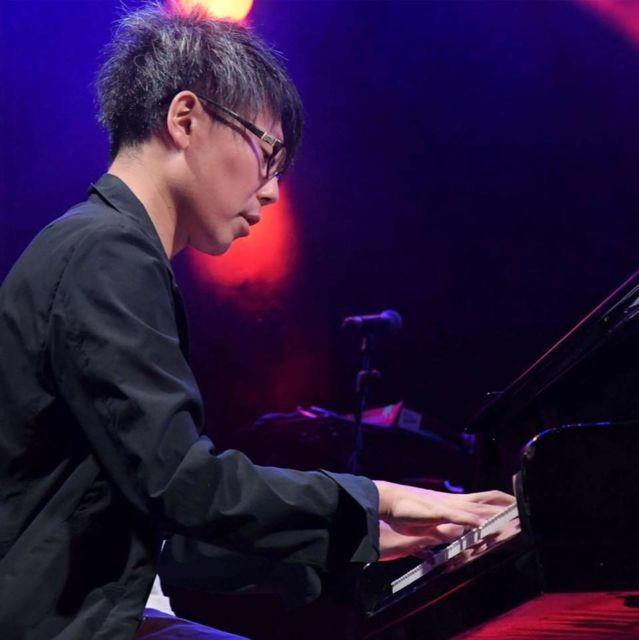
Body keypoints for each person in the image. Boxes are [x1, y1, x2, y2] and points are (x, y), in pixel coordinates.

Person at [0, 3, 514, 639]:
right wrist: (377, 496)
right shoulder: (108, 251)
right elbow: (183, 486)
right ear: (186, 119)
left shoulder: (100, 246)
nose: (272, 190)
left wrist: (368, 534)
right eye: (269, 152)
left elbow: (159, 526)